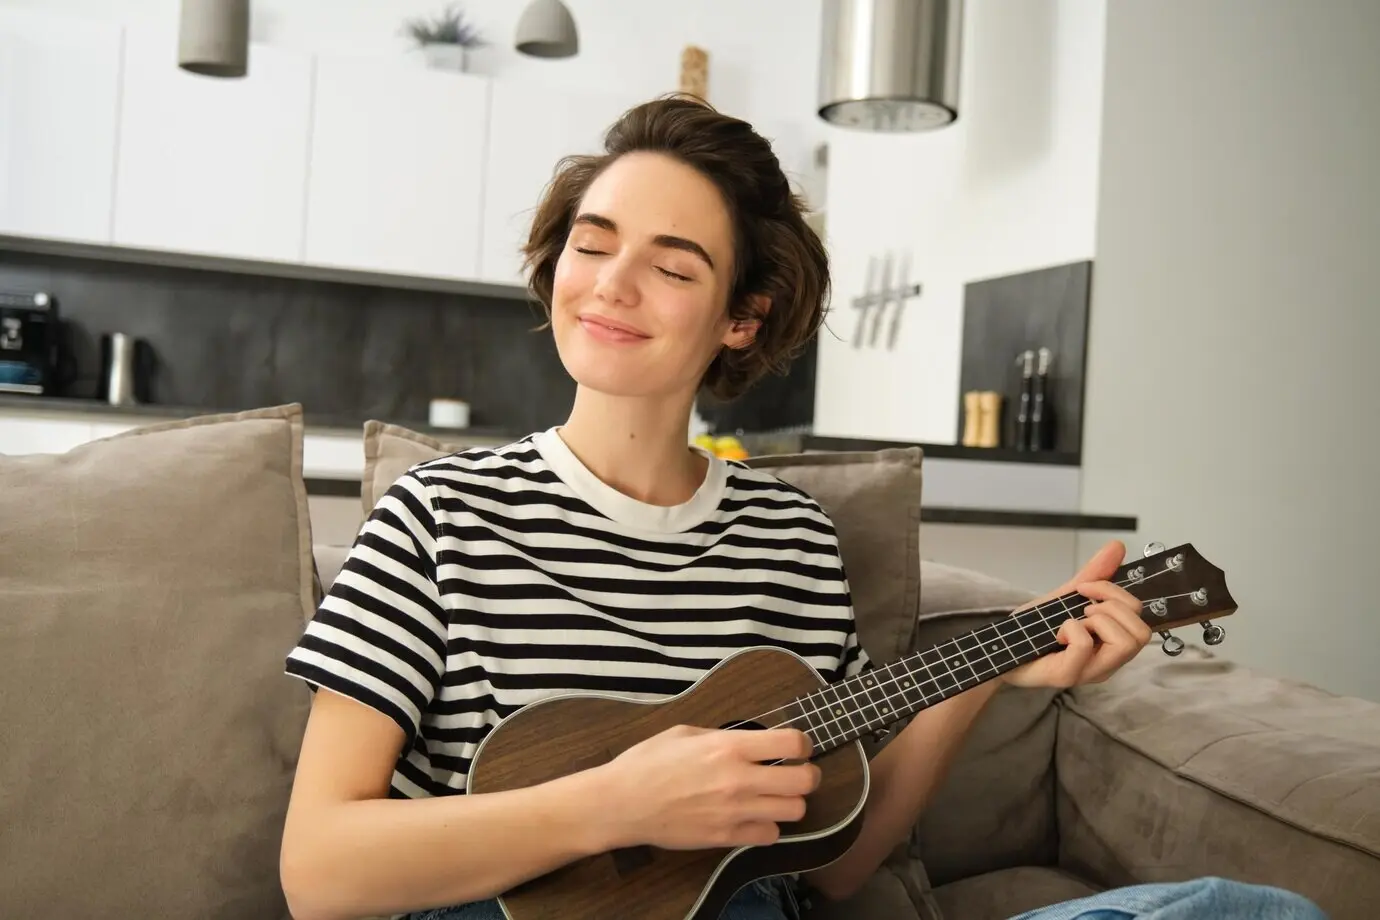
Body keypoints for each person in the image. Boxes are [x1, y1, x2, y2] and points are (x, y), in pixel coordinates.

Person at [278, 95, 1327, 920]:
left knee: (1255, 908)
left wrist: (998, 659)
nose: (611, 284)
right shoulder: (437, 516)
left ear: (743, 316)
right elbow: (316, 870)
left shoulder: (788, 543)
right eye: (593, 243)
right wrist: (617, 802)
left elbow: (836, 862)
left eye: (672, 265)